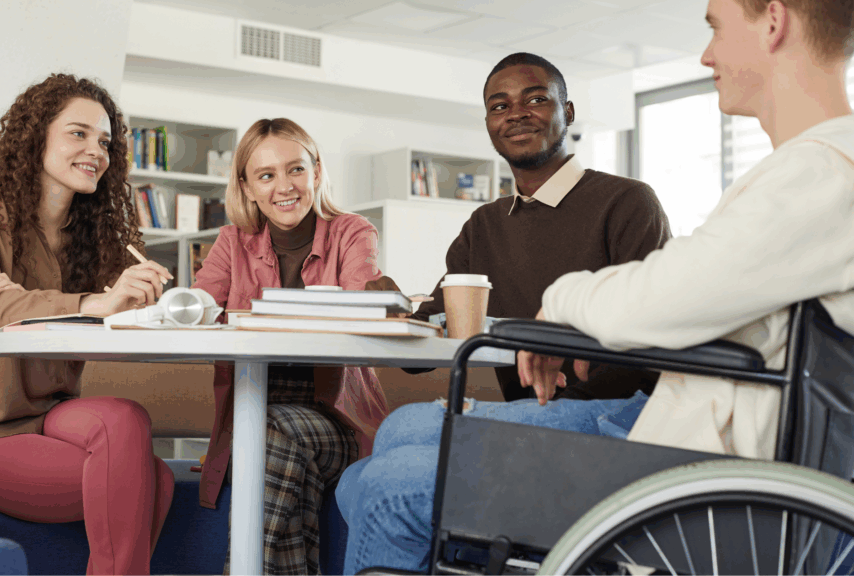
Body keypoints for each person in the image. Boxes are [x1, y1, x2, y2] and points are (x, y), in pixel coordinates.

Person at [339, 0, 854, 572]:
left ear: (774, 22)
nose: (706, 54)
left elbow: (663, 296)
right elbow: (686, 289)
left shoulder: (821, 176)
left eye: (715, 27)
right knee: (373, 467)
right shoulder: (807, 172)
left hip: (702, 472)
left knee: (384, 485)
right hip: (697, 443)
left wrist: (559, 306)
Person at [0, 73, 176, 575]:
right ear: (36, 139)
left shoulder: (94, 243)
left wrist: (142, 305)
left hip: (44, 418)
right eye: (77, 133)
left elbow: (79, 314)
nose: (95, 150)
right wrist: (93, 303)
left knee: (126, 420)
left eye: (104, 141)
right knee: (151, 483)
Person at [374, 52, 670, 404]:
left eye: (536, 99)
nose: (516, 114)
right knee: (401, 429)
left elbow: (652, 339)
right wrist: (387, 311)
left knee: (406, 433)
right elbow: (427, 343)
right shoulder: (484, 226)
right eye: (499, 107)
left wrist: (552, 416)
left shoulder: (627, 202)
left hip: (615, 410)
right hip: (530, 418)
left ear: (568, 112)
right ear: (488, 123)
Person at [191, 117, 390, 575]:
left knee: (270, 433)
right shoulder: (231, 241)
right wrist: (184, 304)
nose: (285, 186)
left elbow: (362, 298)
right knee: (275, 448)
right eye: (266, 175)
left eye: (296, 169)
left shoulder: (352, 232)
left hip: (336, 424)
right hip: (253, 425)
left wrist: (375, 295)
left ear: (316, 172)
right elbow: (204, 299)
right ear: (246, 187)